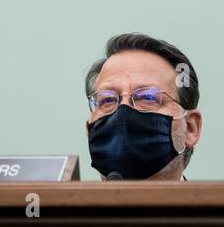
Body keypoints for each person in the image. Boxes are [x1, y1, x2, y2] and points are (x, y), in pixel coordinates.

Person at [84, 33, 202, 181]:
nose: (123, 111)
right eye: (107, 100)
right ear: (88, 130)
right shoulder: (52, 203)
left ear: (191, 128)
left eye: (147, 97)